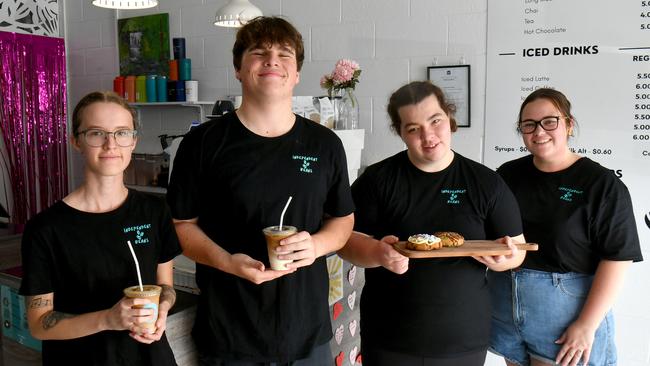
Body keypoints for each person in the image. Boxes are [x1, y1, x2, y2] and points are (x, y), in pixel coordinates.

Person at [166, 16, 355, 365]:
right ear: (238, 69)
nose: (272, 60)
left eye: (285, 54)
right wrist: (226, 262)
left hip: (307, 334)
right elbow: (181, 226)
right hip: (229, 333)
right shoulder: (202, 143)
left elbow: (342, 221)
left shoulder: (325, 144)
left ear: (296, 73)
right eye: (259, 52)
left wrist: (314, 245)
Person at [337, 81, 526, 366]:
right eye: (413, 128)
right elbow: (345, 241)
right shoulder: (377, 180)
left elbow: (519, 249)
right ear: (400, 133)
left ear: (449, 120)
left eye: (435, 121)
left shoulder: (486, 183)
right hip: (389, 337)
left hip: (462, 339)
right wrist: (377, 253)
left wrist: (503, 259)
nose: (428, 136)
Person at [19, 91, 181, 366]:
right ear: (76, 141)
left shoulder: (154, 211)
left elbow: (165, 286)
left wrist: (162, 307)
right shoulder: (45, 228)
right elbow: (39, 323)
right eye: (96, 133)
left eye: (121, 133)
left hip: (150, 358)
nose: (111, 144)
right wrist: (108, 319)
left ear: (133, 142)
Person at [489, 88, 643, 366]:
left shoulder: (602, 184)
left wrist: (586, 325)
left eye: (550, 121)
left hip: (565, 317)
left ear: (569, 124)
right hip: (507, 309)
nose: (539, 132)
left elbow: (617, 258)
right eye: (528, 125)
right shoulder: (508, 175)